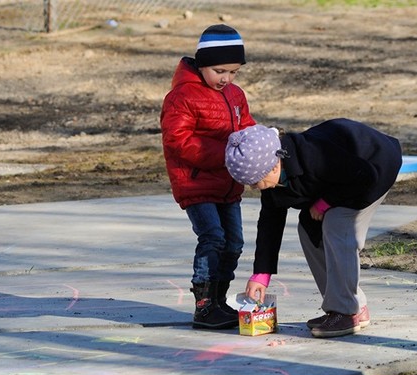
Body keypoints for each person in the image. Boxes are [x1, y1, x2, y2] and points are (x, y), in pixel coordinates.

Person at [224, 119, 402, 338]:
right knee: (309, 230)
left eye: (255, 181)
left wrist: (325, 202)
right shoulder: (273, 179)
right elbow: (270, 224)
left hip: (375, 164)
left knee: (337, 224)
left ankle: (345, 312)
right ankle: (355, 307)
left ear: (273, 166)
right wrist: (261, 274)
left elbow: (365, 175)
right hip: (343, 180)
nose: (252, 187)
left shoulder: (312, 156)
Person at [160, 24, 256, 329]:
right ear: (202, 64)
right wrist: (226, 155)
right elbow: (178, 140)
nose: (226, 78)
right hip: (197, 182)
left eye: (234, 72)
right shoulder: (182, 96)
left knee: (234, 243)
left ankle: (219, 300)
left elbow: (246, 129)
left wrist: (258, 147)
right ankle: (203, 305)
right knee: (212, 237)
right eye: (219, 70)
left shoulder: (235, 95)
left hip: (229, 185)